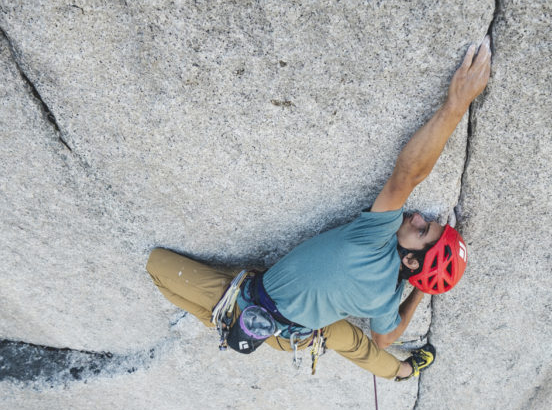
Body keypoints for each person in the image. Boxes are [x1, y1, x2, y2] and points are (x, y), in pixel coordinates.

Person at [147, 37, 492, 380]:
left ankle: (227, 319)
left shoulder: (374, 239)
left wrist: (457, 104)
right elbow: (384, 337)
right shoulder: (387, 300)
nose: (417, 217)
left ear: (411, 260)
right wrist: (419, 290)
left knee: (156, 266)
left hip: (255, 306)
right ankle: (403, 371)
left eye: (422, 229)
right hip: (301, 334)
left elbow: (408, 174)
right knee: (353, 341)